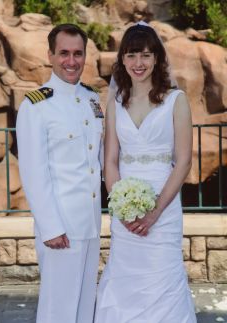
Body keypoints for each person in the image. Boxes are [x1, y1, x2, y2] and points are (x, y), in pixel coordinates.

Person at [94, 23, 197, 322]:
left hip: (163, 210)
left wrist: (154, 213)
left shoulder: (177, 101)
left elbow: (184, 161)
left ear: (157, 59)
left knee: (162, 279)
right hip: (124, 212)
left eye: (145, 55)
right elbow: (110, 161)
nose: (138, 63)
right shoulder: (114, 104)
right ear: (122, 60)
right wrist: (122, 208)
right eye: (131, 55)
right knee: (125, 280)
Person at [16, 23, 103, 323]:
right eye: (64, 53)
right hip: (61, 228)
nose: (71, 61)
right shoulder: (36, 106)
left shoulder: (92, 99)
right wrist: (51, 227)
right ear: (50, 55)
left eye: (78, 53)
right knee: (58, 311)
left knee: (84, 307)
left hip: (90, 224)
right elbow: (32, 172)